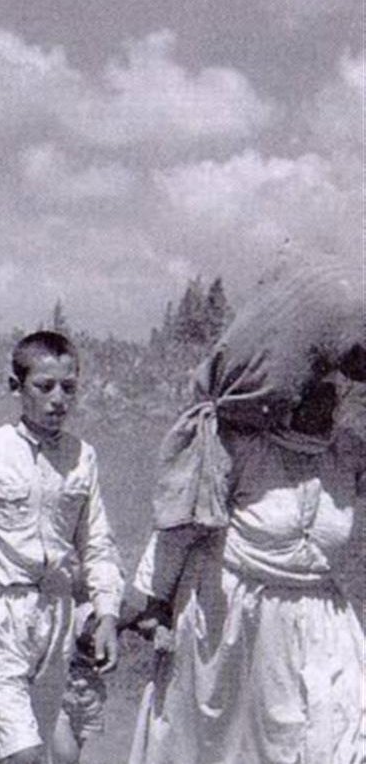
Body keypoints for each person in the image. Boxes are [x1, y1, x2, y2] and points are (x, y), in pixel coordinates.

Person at [124, 265, 365, 764]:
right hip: (230, 629)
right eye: (315, 384)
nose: (327, 396)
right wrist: (149, 604)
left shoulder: (347, 453)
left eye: (335, 386)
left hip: (322, 627)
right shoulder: (236, 446)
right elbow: (180, 528)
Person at [0, 331, 123, 764]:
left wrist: (107, 613)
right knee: (27, 755)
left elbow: (98, 544)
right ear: (16, 386)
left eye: (68, 388)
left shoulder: (82, 457)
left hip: (53, 616)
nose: (58, 399)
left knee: (22, 746)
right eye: (44, 386)